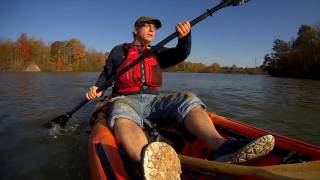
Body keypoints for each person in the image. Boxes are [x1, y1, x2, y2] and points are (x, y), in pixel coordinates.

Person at [86, 16, 275, 177]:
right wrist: (97, 88)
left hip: (153, 101)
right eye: (147, 26)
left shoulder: (157, 51)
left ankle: (222, 147)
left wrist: (185, 38)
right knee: (121, 115)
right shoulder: (119, 51)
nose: (152, 29)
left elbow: (180, 53)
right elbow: (107, 75)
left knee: (189, 98)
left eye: (155, 28)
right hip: (126, 99)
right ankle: (148, 163)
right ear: (135, 29)